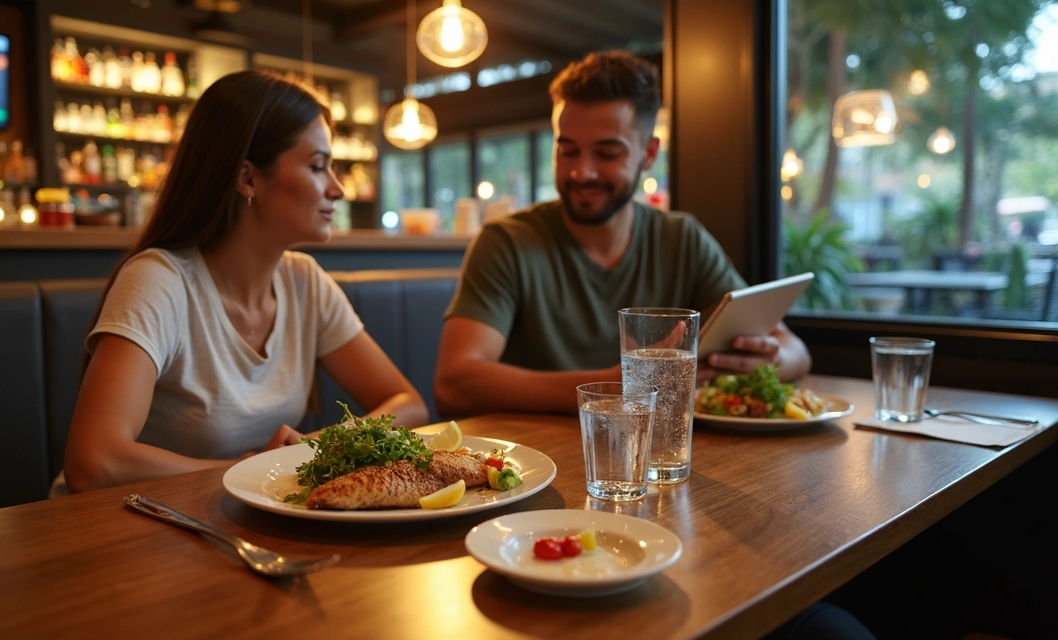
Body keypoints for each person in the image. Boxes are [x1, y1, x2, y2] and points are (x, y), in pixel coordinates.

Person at [61, 71, 428, 494]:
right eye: (317, 167)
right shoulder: (159, 280)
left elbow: (409, 405)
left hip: (230, 516)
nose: (338, 189)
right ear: (247, 178)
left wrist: (319, 448)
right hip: (122, 519)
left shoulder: (304, 281)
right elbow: (94, 464)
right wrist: (251, 471)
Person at [434, 50, 811, 417]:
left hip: (660, 452)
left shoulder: (681, 239)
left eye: (607, 153)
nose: (582, 172)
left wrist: (761, 361)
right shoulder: (506, 242)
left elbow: (795, 352)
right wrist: (621, 385)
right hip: (534, 455)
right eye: (568, 151)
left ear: (649, 154)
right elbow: (454, 384)